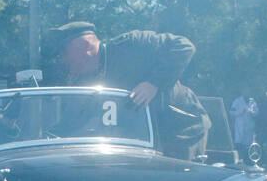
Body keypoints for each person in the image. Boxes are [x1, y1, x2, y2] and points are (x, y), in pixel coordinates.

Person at [50, 21, 211, 159]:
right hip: (145, 140)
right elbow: (77, 117)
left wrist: (153, 83)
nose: (63, 59)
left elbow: (183, 46)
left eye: (65, 52)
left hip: (181, 128)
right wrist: (53, 136)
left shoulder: (132, 44)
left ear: (86, 47)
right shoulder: (87, 80)